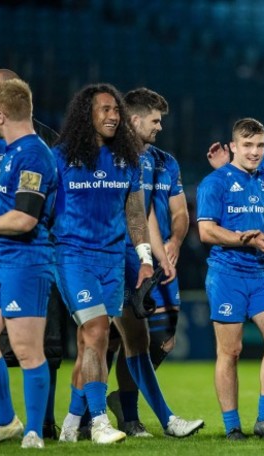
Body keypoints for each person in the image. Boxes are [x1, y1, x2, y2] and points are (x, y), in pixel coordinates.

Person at [52, 83, 155, 444]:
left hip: (112, 261)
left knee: (89, 344)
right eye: (106, 110)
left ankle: (69, 424)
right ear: (87, 114)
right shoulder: (60, 157)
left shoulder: (129, 160)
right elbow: (43, 208)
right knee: (97, 331)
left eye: (117, 111)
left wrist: (144, 259)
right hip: (73, 256)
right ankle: (98, 423)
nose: (114, 116)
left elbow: (136, 215)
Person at [0, 68, 65, 440]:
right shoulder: (7, 151)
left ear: (2, 115)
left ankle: (35, 433)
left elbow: (25, 218)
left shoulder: (35, 155)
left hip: (25, 263)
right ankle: (7, 421)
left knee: (27, 351)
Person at [103, 88, 203, 438]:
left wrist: (174, 243)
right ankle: (122, 415)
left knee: (160, 341)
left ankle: (107, 408)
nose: (160, 126)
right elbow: (137, 216)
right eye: (156, 120)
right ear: (135, 119)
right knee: (117, 340)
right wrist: (155, 252)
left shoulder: (164, 161)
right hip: (123, 258)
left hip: (157, 262)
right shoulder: (112, 157)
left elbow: (177, 211)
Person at [197, 118, 264, 440]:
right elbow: (206, 230)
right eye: (248, 145)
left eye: (260, 145)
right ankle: (231, 426)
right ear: (234, 147)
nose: (255, 152)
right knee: (231, 351)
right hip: (227, 275)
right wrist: (244, 239)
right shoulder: (215, 182)